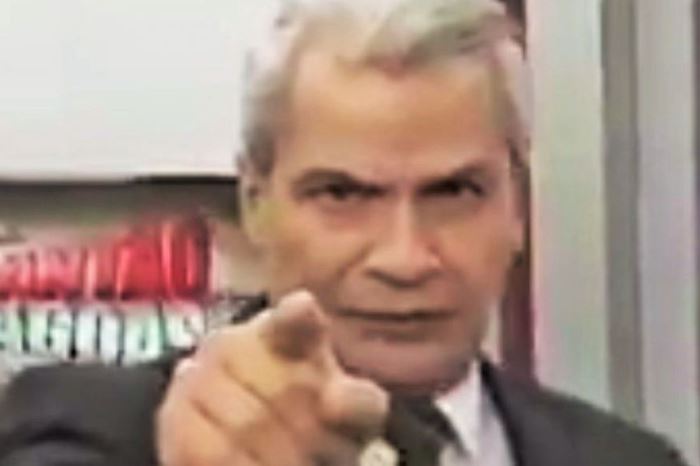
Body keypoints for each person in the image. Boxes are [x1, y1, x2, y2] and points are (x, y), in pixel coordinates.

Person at [0, 0, 689, 465]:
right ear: (257, 204)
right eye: (342, 194)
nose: (404, 258)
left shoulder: (629, 460)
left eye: (453, 192)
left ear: (517, 209)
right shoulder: (98, 428)